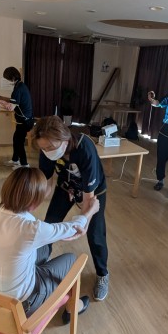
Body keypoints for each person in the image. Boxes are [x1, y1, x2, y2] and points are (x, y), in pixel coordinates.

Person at [0, 167, 99, 320]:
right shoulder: (31, 229)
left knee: (44, 248)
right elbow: (73, 228)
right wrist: (90, 211)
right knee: (71, 260)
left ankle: (43, 280)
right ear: (34, 203)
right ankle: (72, 307)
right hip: (21, 306)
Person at [33, 115, 111, 301]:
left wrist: (84, 222)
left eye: (50, 147)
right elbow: (46, 183)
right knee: (50, 223)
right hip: (66, 186)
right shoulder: (47, 150)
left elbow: (88, 198)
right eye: (43, 148)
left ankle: (102, 274)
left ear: (63, 138)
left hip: (93, 192)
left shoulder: (85, 148)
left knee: (95, 234)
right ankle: (38, 262)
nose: (47, 151)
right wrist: (30, 206)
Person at [2, 66, 34, 170]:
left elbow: (11, 107)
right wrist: (0, 99)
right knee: (16, 139)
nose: (7, 81)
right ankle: (15, 159)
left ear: (12, 77)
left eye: (7, 78)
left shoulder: (18, 89)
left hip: (24, 121)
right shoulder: (20, 85)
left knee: (19, 142)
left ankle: (24, 164)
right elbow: (14, 101)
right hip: (25, 120)